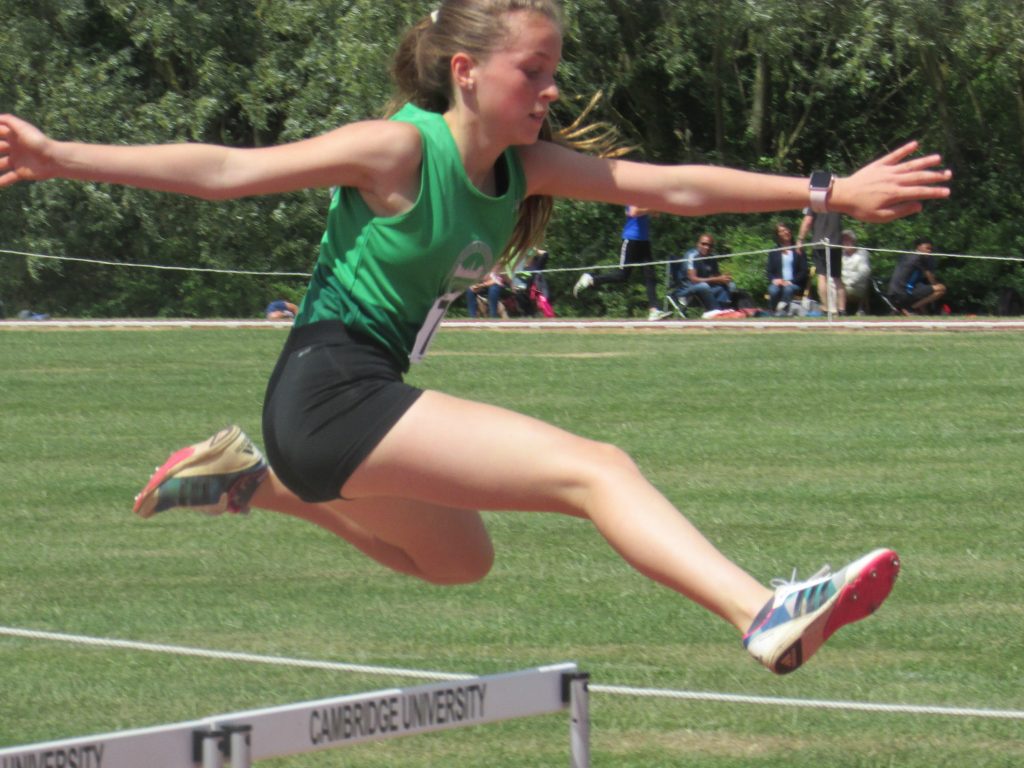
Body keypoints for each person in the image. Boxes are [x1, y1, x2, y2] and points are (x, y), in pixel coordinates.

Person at [0, 0, 950, 675]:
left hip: (336, 414)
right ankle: (762, 610)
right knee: (598, 471)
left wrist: (827, 193)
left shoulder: (523, 167)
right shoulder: (400, 148)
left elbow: (671, 185)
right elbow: (227, 171)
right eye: (531, 71)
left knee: (459, 562)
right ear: (466, 71)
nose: (549, 89)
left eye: (552, 72)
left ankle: (251, 482)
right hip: (331, 391)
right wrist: (57, 157)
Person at [573, 206, 671, 321]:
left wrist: (656, 209)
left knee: (650, 276)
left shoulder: (646, 200)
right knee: (622, 275)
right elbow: (633, 212)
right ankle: (591, 279)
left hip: (644, 241)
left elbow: (656, 215)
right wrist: (650, 210)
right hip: (630, 240)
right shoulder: (634, 197)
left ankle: (654, 311)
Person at [798, 207, 846, 314]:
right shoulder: (836, 202)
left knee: (822, 276)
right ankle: (842, 309)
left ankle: (827, 308)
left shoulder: (814, 203)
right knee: (837, 278)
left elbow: (808, 220)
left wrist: (800, 239)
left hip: (820, 243)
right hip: (835, 243)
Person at [887, 236, 946, 315]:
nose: (929, 251)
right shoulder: (919, 258)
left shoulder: (907, 256)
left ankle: (918, 311)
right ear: (918, 247)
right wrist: (935, 285)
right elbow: (931, 279)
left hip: (892, 294)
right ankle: (910, 309)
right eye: (927, 248)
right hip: (903, 293)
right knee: (941, 288)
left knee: (923, 289)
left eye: (931, 249)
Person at [677, 233, 735, 310]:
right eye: (703, 244)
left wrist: (723, 278)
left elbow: (715, 275)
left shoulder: (712, 257)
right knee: (703, 286)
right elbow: (693, 279)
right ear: (698, 244)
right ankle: (714, 310)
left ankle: (723, 309)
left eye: (710, 246)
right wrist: (717, 279)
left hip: (706, 289)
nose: (707, 247)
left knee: (731, 285)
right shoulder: (692, 256)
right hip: (687, 290)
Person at [765, 222, 808, 315]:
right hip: (779, 283)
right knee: (773, 290)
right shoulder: (774, 252)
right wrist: (774, 280)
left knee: (788, 289)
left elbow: (804, 271)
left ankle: (783, 311)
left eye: (786, 230)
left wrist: (790, 282)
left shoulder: (798, 250)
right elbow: (769, 272)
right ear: (778, 235)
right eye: (782, 231)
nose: (785, 232)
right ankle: (772, 312)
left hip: (794, 283)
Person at [841, 230, 872, 316]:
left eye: (848, 240)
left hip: (856, 285)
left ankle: (861, 309)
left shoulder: (862, 253)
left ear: (854, 241)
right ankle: (838, 311)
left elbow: (864, 271)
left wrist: (850, 282)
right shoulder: (840, 254)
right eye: (843, 240)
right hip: (841, 284)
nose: (845, 243)